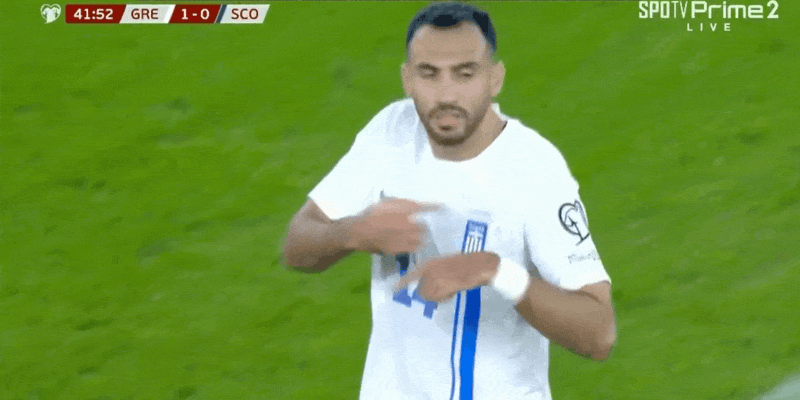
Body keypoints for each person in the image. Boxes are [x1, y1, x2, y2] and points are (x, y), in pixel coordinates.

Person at [281, 2, 617, 399]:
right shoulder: (391, 132)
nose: (446, 94)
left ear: (495, 79)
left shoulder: (534, 170)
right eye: (429, 74)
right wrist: (352, 232)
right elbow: (296, 245)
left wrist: (494, 270)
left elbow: (599, 333)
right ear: (407, 79)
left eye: (465, 73)